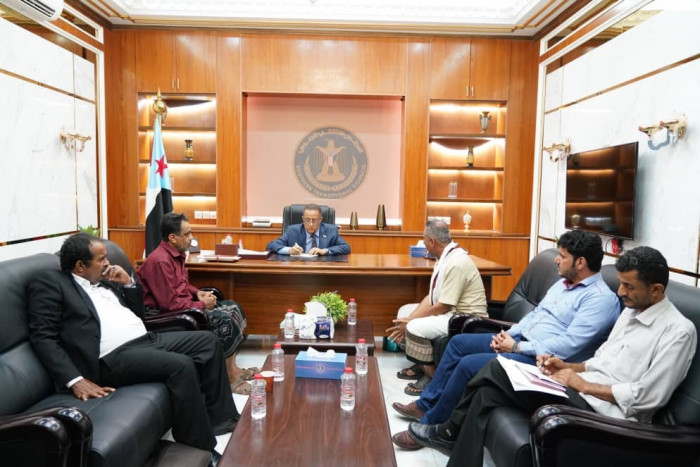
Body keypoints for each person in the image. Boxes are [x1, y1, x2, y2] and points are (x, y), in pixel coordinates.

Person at [408, 246, 697, 466]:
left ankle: (448, 431)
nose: (621, 292)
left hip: (608, 414)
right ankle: (452, 444)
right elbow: (598, 363)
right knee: (486, 393)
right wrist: (567, 366)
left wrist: (582, 384)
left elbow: (647, 397)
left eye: (629, 286)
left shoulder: (678, 332)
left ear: (656, 290)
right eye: (620, 283)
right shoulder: (631, 312)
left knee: (496, 369)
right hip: (581, 392)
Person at [391, 229, 621, 450]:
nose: (556, 260)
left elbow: (569, 345)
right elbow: (535, 315)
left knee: (468, 365)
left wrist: (517, 347)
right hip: (520, 341)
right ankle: (425, 405)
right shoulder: (563, 284)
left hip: (544, 361)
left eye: (562, 256)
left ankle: (432, 425)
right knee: (458, 344)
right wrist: (510, 334)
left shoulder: (600, 300)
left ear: (580, 262)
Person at [27, 233, 238, 459]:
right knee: (181, 365)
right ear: (80, 266)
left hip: (146, 339)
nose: (107, 263)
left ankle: (222, 420)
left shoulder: (104, 281)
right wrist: (75, 380)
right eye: (101, 259)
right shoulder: (51, 283)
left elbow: (139, 315)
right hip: (112, 357)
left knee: (207, 341)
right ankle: (199, 448)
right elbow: (43, 336)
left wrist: (128, 284)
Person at [137, 212, 255, 395]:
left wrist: (197, 293)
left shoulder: (176, 254)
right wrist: (201, 305)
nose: (191, 238)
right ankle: (230, 379)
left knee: (233, 307)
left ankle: (233, 369)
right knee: (223, 320)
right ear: (172, 237)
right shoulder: (160, 261)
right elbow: (169, 304)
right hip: (164, 315)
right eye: (187, 234)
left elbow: (181, 284)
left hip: (180, 305)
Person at [387, 219, 487, 396]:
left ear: (432, 241)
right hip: (450, 312)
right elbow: (432, 297)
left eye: (424, 239)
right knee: (404, 313)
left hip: (465, 319)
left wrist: (410, 323)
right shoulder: (445, 257)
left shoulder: (457, 262)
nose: (423, 243)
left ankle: (434, 378)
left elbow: (443, 305)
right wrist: (409, 317)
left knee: (413, 327)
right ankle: (422, 364)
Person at [266, 203, 350, 256]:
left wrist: (325, 251)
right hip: (299, 270)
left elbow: (346, 247)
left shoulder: (331, 230)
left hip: (323, 270)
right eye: (307, 220)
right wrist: (289, 250)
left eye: (314, 220)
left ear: (320, 220)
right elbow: (270, 246)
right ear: (303, 219)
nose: (310, 224)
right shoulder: (293, 231)